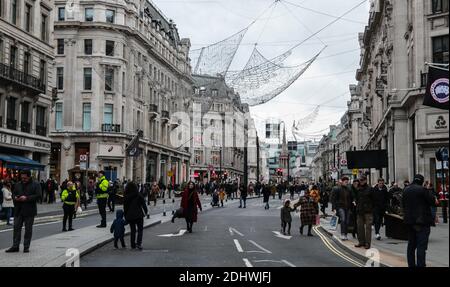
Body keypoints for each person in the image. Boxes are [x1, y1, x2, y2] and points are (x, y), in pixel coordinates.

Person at [402, 174, 435, 267]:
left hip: (409, 221)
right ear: (422, 181)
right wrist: (428, 189)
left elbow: (403, 205)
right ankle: (420, 265)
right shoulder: (423, 190)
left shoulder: (405, 190)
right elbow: (432, 201)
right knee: (421, 246)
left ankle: (411, 265)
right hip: (422, 221)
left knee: (411, 245)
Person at [5, 170, 42, 253]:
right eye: (22, 178)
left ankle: (26, 247)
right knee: (16, 229)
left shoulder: (36, 184)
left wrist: (27, 198)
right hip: (18, 210)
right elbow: (13, 194)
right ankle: (15, 246)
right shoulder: (18, 184)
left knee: (28, 230)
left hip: (29, 210)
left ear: (29, 177)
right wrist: (15, 198)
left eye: (25, 178)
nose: (23, 179)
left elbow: (39, 196)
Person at [123, 182, 148, 250]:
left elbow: (125, 207)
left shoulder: (126, 196)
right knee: (140, 230)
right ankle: (139, 243)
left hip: (130, 216)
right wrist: (146, 212)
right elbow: (143, 204)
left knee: (133, 230)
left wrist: (125, 216)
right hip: (139, 215)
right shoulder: (138, 195)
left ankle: (132, 244)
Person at [354, 176, 374, 249]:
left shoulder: (370, 189)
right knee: (359, 227)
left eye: (362, 180)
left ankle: (367, 243)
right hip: (359, 210)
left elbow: (374, 200)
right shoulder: (358, 189)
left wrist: (372, 208)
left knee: (368, 228)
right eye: (360, 180)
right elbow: (356, 198)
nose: (361, 181)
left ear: (366, 180)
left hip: (368, 211)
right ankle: (361, 242)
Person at [331, 176, 353, 240]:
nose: (346, 183)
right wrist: (334, 208)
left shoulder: (349, 189)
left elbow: (352, 197)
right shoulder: (338, 189)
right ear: (342, 182)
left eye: (347, 182)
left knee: (347, 221)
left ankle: (345, 234)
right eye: (345, 182)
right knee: (343, 220)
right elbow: (334, 199)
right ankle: (342, 234)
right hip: (341, 207)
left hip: (348, 207)